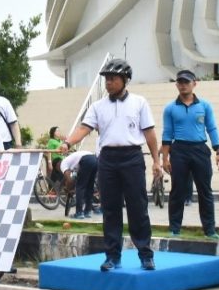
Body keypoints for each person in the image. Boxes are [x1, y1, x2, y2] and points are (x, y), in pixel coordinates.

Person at [60, 58, 161, 271]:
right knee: (110, 209)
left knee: (138, 207)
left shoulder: (139, 102)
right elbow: (84, 129)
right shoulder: (98, 106)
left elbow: (149, 133)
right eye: (106, 79)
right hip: (107, 159)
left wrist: (156, 160)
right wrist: (68, 142)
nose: (108, 83)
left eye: (113, 79)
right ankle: (112, 256)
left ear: (125, 80)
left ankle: (145, 254)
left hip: (132, 157)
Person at [161, 69, 219, 239]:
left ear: (194, 84)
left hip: (200, 149)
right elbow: (167, 134)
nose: (183, 85)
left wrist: (218, 150)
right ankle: (174, 228)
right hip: (179, 149)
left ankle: (209, 229)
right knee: (177, 190)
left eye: (186, 82)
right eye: (180, 82)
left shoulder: (204, 106)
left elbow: (211, 128)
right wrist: (165, 158)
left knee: (205, 190)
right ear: (176, 85)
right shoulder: (170, 108)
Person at [58, 149, 98, 219]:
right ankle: (87, 211)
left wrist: (68, 189)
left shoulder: (62, 164)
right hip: (95, 159)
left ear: (57, 165)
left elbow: (70, 180)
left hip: (86, 160)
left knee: (80, 187)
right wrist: (71, 187)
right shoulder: (71, 162)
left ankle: (79, 213)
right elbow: (73, 178)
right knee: (89, 187)